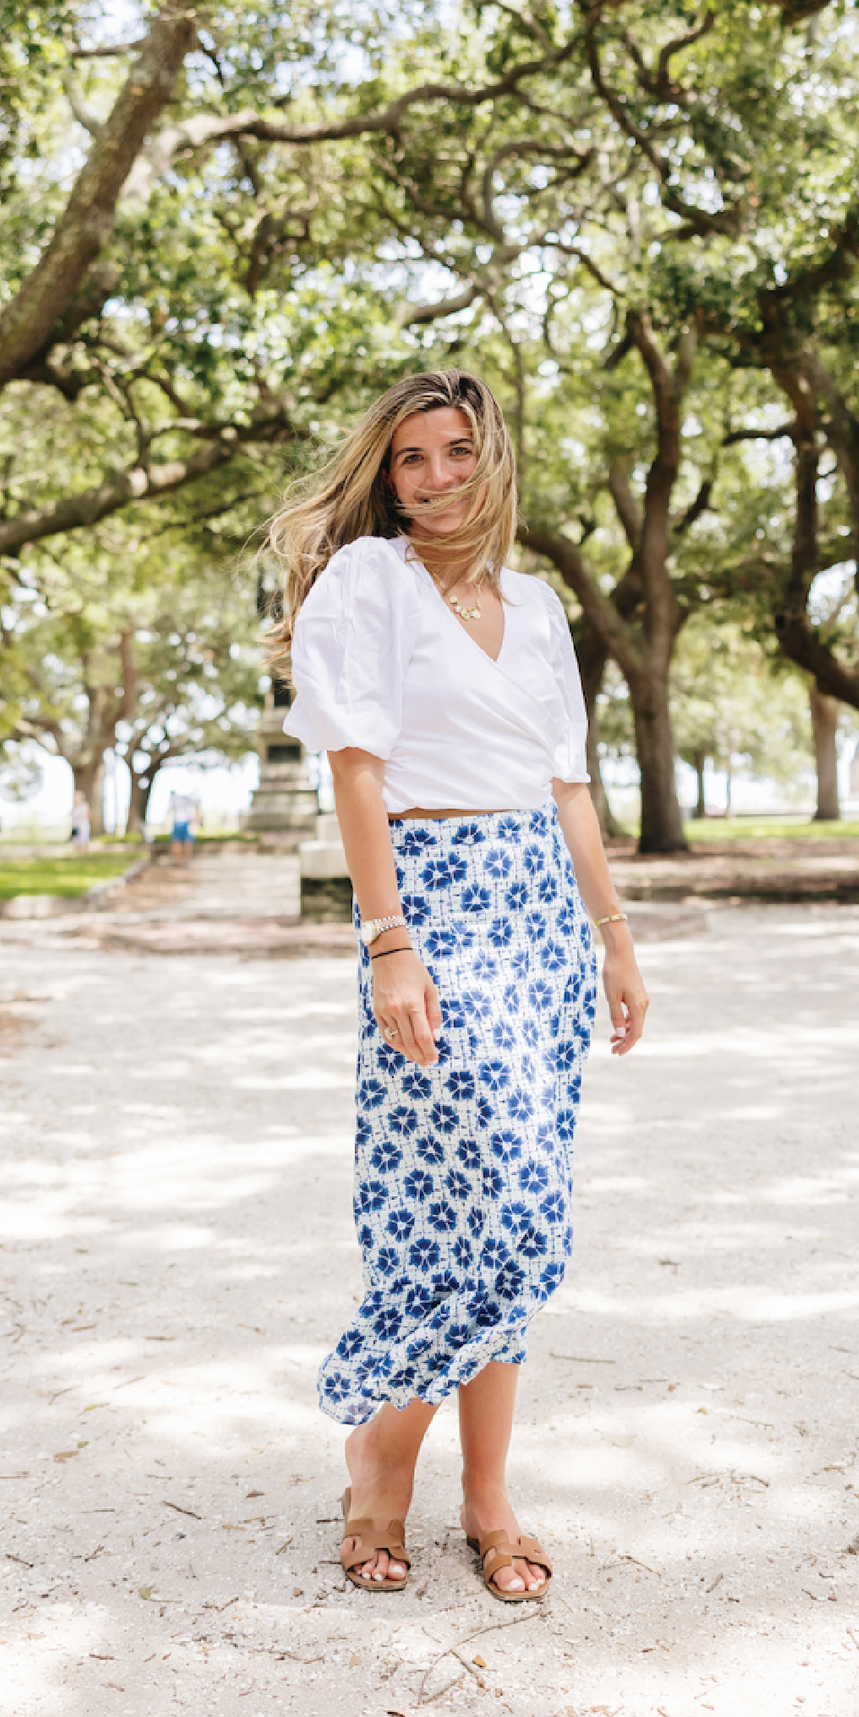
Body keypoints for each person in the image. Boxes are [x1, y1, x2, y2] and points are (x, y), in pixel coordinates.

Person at [269, 369, 649, 1602]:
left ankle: (484, 1494)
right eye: (410, 460)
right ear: (386, 477)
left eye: (456, 453)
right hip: (430, 901)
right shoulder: (366, 584)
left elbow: (570, 791)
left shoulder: (536, 609)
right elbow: (357, 775)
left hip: (538, 915)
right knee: (453, 1199)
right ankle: (381, 1464)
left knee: (517, 1205)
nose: (435, 479)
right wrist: (388, 940)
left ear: (492, 462)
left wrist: (614, 939)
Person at [169, 790, 198, 866]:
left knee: (177, 842)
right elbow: (195, 805)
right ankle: (186, 861)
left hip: (178, 821)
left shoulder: (173, 797)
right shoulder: (187, 796)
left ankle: (177, 861)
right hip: (186, 821)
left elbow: (169, 809)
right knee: (187, 841)